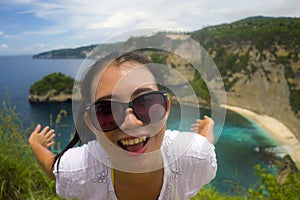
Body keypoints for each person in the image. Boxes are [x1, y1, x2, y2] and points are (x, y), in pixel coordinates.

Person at [28, 51, 217, 200]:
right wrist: (36, 144)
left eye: (145, 103)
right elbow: (52, 167)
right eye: (107, 110)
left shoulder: (193, 155)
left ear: (166, 109)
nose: (129, 123)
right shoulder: (82, 168)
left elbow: (205, 144)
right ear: (91, 123)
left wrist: (206, 130)